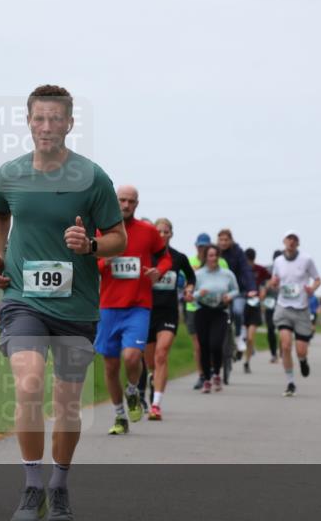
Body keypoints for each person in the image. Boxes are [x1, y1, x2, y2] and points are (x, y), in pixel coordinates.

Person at [0, 84, 126, 521]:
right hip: (23, 299)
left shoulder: (93, 177)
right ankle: (31, 486)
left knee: (66, 402)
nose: (46, 127)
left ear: (69, 123)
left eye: (55, 119)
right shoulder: (9, 173)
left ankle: (59, 486)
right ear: (28, 122)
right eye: (38, 118)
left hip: (76, 305)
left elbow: (117, 238)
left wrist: (90, 246)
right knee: (28, 384)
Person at [96, 186, 171, 435]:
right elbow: (87, 263)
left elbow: (165, 257)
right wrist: (102, 261)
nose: (126, 205)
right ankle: (119, 416)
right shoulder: (101, 231)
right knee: (110, 366)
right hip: (108, 306)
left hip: (139, 305)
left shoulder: (148, 231)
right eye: (122, 200)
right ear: (114, 202)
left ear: (137, 204)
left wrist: (158, 271)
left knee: (131, 356)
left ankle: (132, 390)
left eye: (130, 201)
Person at [143, 218, 195, 420]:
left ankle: (156, 405)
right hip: (146, 311)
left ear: (171, 234)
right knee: (150, 362)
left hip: (169, 312)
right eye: (159, 232)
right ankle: (151, 376)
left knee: (161, 354)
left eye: (166, 232)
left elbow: (191, 276)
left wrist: (189, 289)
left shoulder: (178, 257)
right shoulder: (146, 256)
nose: (163, 235)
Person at [269, 231, 321, 397]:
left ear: (298, 243)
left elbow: (317, 279)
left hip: (301, 309)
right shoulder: (278, 261)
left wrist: (312, 289)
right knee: (285, 345)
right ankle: (290, 382)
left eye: (294, 239)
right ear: (284, 241)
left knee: (301, 351)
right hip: (283, 307)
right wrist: (274, 283)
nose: (291, 242)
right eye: (289, 239)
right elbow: (274, 281)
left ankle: (303, 361)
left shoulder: (306, 260)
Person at [187, 245, 239, 393]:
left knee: (216, 345)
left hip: (220, 311)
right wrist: (199, 294)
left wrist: (229, 296)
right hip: (202, 311)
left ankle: (217, 373)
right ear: (205, 257)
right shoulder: (198, 274)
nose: (213, 258)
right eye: (210, 255)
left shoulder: (227, 274)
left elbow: (236, 290)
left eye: (216, 255)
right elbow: (191, 294)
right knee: (203, 346)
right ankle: (207, 379)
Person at [217, 229, 257, 359]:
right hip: (219, 291)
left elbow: (246, 270)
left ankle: (239, 336)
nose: (223, 243)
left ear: (231, 240)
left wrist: (252, 288)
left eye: (226, 240)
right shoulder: (214, 252)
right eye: (221, 240)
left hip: (238, 290)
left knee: (238, 311)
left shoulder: (238, 252)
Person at [242, 247, 270, 374]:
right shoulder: (240, 269)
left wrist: (264, 288)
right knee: (240, 334)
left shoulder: (260, 269)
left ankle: (247, 362)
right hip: (242, 304)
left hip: (255, 305)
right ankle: (237, 350)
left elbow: (269, 278)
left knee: (250, 338)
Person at [263, 249, 283, 363]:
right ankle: (273, 353)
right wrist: (267, 286)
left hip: (282, 303)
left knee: (282, 329)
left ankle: (282, 351)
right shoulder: (267, 270)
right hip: (269, 303)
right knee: (270, 329)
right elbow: (262, 286)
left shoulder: (287, 270)